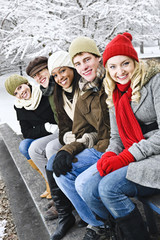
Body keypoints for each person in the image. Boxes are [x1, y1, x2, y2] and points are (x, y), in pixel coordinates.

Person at [78, 32, 160, 240]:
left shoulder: (154, 83)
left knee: (109, 188)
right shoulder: (114, 92)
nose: (119, 71)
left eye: (125, 64)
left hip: (155, 155)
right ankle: (118, 230)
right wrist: (110, 155)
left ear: (135, 62)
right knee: (89, 189)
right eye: (112, 66)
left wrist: (125, 157)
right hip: (136, 153)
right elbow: (116, 137)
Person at [48, 37, 111, 240]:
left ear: (98, 58)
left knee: (83, 182)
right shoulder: (84, 94)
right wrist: (68, 149)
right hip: (100, 144)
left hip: (116, 146)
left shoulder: (111, 81)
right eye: (78, 63)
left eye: (87, 60)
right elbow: (77, 128)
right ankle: (94, 222)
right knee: (60, 171)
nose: (83, 66)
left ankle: (110, 221)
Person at [45, 50, 91, 240]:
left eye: (62, 71)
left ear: (72, 68)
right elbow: (63, 128)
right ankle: (65, 215)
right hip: (74, 141)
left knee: (61, 164)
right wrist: (68, 141)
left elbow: (94, 125)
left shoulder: (85, 87)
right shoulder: (59, 94)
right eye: (55, 75)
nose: (59, 78)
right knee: (52, 165)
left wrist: (76, 143)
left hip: (92, 140)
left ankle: (86, 211)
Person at [4, 74, 57, 202]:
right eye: (16, 93)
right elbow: (26, 132)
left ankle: (54, 185)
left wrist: (45, 128)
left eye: (20, 87)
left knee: (35, 147)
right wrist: (45, 127)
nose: (20, 93)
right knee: (24, 146)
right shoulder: (20, 106)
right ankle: (48, 181)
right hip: (44, 133)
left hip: (56, 131)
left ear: (27, 83)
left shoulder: (43, 93)